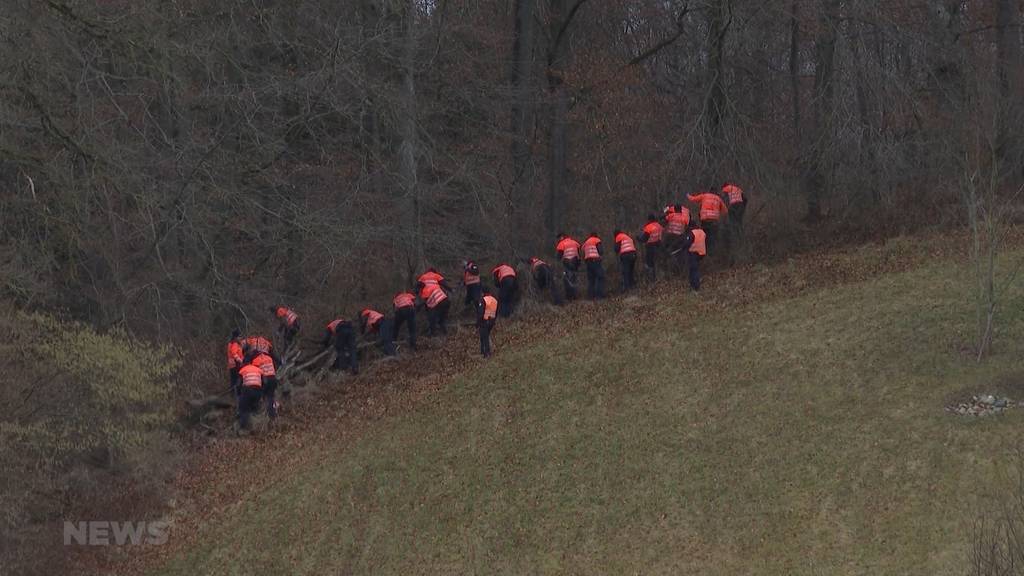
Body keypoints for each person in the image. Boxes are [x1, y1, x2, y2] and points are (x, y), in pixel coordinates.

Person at [687, 189, 728, 255]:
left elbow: (693, 199)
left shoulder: (704, 196)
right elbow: (725, 211)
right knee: (713, 237)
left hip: (705, 220)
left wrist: (687, 195)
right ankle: (712, 253)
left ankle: (704, 251)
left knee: (705, 236)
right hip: (714, 221)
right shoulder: (718, 199)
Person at [236, 360, 264, 432]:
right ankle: (256, 426)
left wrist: (239, 394)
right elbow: (264, 382)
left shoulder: (243, 370)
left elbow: (238, 384)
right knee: (255, 407)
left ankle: (243, 428)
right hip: (258, 390)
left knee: (244, 408)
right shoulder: (259, 370)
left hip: (247, 390)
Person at [251, 351, 279, 420]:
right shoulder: (269, 358)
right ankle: (274, 411)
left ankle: (269, 415)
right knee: (271, 396)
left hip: (265, 380)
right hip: (273, 378)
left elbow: (255, 372)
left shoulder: (255, 360)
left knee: (264, 396)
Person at [722, 182, 747, 258]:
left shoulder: (726, 188)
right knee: (739, 221)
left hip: (733, 206)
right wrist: (743, 207)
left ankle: (734, 233)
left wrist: (726, 208)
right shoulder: (738, 188)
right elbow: (745, 199)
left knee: (732, 221)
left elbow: (723, 199)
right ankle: (741, 234)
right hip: (740, 205)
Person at [663, 204, 690, 272]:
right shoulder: (684, 217)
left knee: (667, 251)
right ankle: (679, 269)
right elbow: (687, 227)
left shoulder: (671, 215)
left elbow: (663, 218)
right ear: (681, 210)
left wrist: (667, 209)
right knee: (679, 253)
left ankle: (667, 268)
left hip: (670, 236)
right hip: (679, 237)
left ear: (674, 209)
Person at [555, 233, 582, 301]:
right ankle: (576, 296)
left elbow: (559, 256)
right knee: (575, 280)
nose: (558, 240)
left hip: (567, 264)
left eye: (559, 238)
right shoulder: (574, 242)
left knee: (567, 280)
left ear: (561, 237)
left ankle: (570, 297)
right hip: (575, 263)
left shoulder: (561, 244)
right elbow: (579, 252)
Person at [681, 223, 707, 291]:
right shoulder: (702, 232)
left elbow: (687, 243)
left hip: (694, 253)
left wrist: (682, 248)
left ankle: (695, 286)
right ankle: (694, 285)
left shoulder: (692, 233)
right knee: (695, 268)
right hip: (701, 253)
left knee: (693, 269)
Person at [639, 214, 663, 283]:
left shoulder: (648, 227)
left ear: (649, 219)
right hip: (658, 246)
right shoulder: (659, 225)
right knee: (658, 262)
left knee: (649, 263)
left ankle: (651, 279)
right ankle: (659, 277)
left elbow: (644, 238)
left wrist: (639, 239)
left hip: (650, 247)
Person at [581, 232, 606, 299]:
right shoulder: (596, 240)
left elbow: (582, 250)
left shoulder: (586, 242)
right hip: (595, 261)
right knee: (600, 277)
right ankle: (599, 295)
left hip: (588, 262)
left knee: (591, 279)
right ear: (596, 236)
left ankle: (590, 297)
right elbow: (600, 251)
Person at [477, 288, 499, 358]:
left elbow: (481, 312)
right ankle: (484, 351)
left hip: (485, 321)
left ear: (483, 293)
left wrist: (478, 322)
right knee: (485, 335)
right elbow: (497, 311)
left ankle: (486, 353)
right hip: (492, 321)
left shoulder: (483, 300)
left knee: (484, 337)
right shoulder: (494, 300)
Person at [226, 329, 244, 398]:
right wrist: (240, 361)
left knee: (233, 381)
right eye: (239, 336)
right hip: (236, 365)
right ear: (235, 337)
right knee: (237, 381)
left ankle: (233, 395)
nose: (241, 338)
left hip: (232, 365)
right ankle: (237, 395)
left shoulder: (231, 343)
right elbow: (234, 353)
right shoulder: (235, 344)